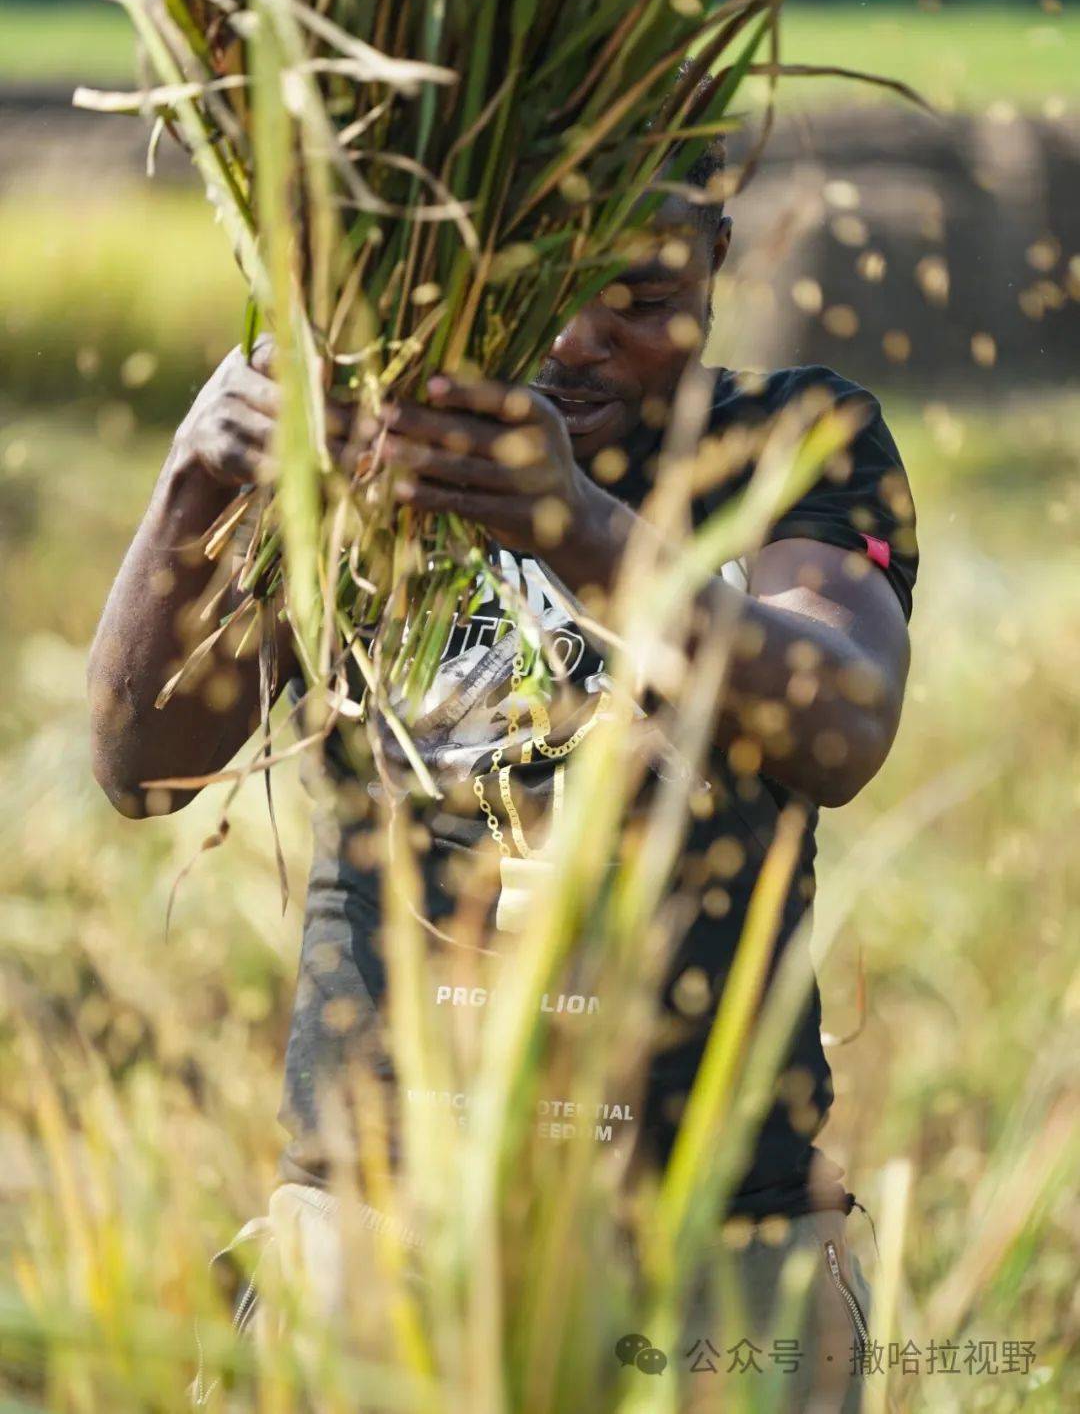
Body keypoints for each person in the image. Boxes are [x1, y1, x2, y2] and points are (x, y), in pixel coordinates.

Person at [88, 135, 916, 1412]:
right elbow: (143, 768)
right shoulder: (366, 452)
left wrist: (575, 525)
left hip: (715, 1247)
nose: (583, 338)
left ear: (717, 264)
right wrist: (202, 475)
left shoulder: (791, 439)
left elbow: (844, 721)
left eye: (641, 298)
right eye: (543, 284)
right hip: (382, 1224)